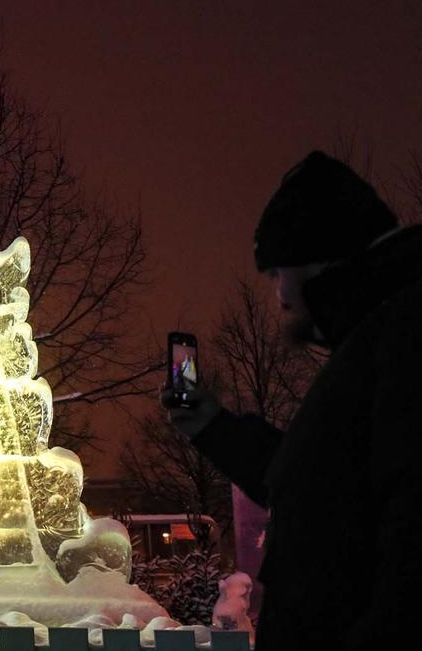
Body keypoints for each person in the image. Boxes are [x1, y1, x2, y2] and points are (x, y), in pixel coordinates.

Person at [162, 151, 422, 650]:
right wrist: (211, 426)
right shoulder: (375, 343)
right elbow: (321, 483)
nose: (280, 297)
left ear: (317, 259)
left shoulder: (406, 338)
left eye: (278, 272)